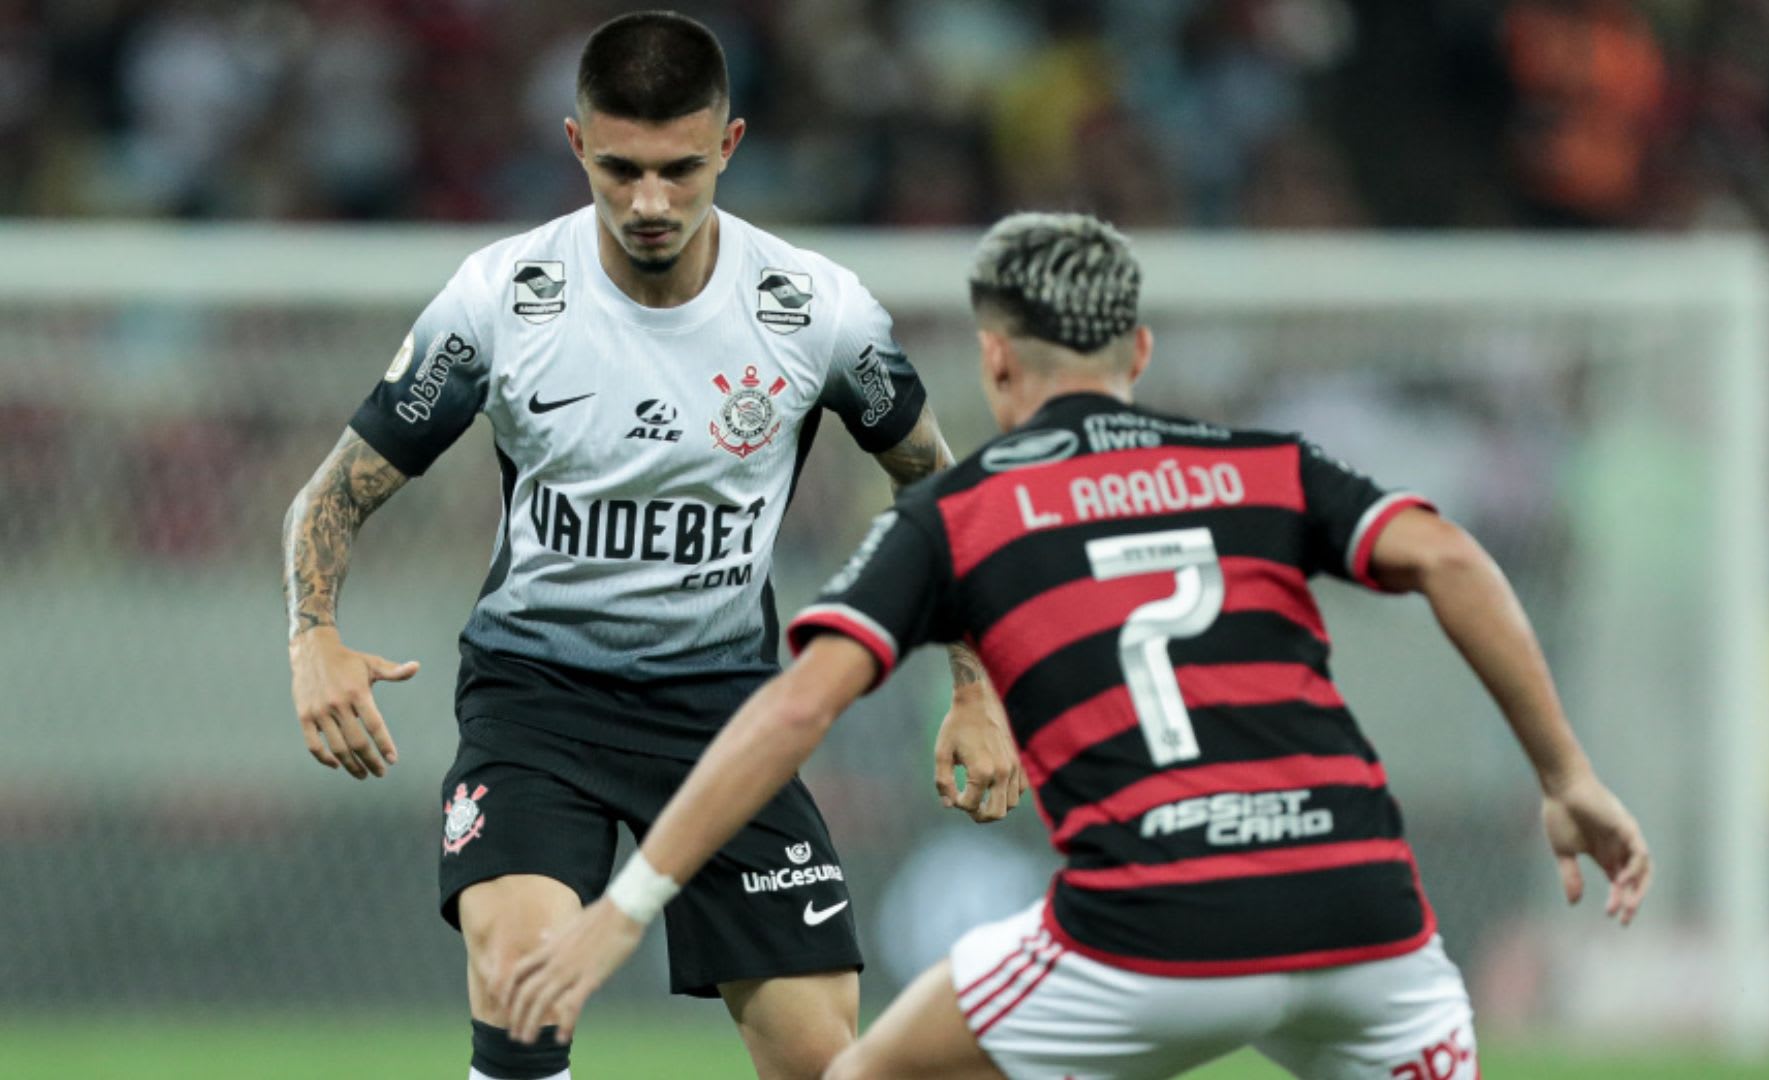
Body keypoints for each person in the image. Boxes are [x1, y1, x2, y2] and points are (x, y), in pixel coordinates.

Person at [498, 212, 1656, 1080]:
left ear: (994, 361)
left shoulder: (962, 513)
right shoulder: (1267, 464)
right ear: (1139, 349)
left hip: (1152, 929)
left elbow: (799, 706)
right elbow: (1451, 558)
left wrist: (628, 905)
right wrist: (1567, 774)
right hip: (1367, 918)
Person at [279, 13, 1022, 1080]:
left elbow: (941, 492)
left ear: (730, 145)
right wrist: (313, 636)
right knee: (522, 979)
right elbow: (327, 499)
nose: (650, 203)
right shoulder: (503, 299)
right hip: (535, 701)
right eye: (620, 169)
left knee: (821, 1055)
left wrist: (976, 686)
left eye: (680, 169)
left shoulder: (814, 312)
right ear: (576, 144)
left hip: (728, 712)